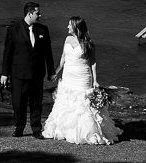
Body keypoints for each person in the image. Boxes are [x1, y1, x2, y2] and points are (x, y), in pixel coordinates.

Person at [42, 16, 122, 144]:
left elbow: (93, 62)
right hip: (68, 76)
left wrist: (95, 80)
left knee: (82, 104)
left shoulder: (88, 43)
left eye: (69, 25)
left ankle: (87, 132)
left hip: (82, 77)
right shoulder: (67, 39)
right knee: (66, 102)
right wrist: (55, 72)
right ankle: (64, 130)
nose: (67, 27)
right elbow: (63, 57)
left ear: (76, 27)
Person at [0, 1, 55, 138]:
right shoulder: (13, 29)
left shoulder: (43, 30)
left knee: (36, 102)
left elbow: (48, 52)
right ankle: (19, 128)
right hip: (18, 74)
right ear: (29, 14)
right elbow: (7, 52)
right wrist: (4, 73)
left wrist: (51, 71)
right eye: (38, 13)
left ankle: (36, 129)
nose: (40, 15)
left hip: (37, 73)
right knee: (18, 103)